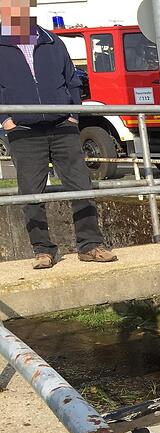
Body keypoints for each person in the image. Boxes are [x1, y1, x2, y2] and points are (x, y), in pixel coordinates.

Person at [0, 0, 117, 269]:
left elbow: (72, 78)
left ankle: (91, 245)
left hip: (62, 126)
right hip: (23, 130)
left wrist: (72, 114)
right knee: (31, 193)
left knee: (81, 185)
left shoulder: (52, 41)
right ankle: (43, 250)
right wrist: (5, 120)